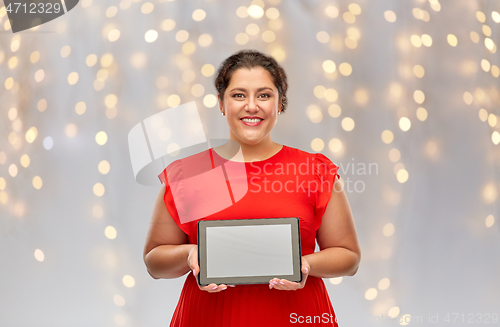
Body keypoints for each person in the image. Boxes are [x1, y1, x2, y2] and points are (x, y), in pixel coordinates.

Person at [143, 49, 361, 327]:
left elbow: (349, 257)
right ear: (222, 104)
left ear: (280, 103)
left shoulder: (315, 170)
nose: (251, 106)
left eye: (264, 95)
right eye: (238, 95)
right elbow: (154, 262)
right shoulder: (187, 174)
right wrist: (189, 254)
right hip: (209, 317)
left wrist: (305, 265)